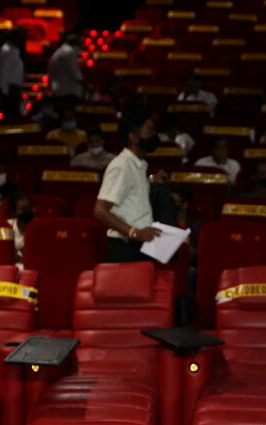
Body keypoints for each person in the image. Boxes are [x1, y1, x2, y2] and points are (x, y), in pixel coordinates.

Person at [93, 110, 163, 262]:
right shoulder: (122, 165)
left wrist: (151, 180)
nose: (154, 134)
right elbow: (100, 210)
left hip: (138, 245)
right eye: (149, 130)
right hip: (124, 247)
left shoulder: (138, 164)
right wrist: (134, 232)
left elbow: (131, 192)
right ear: (133, 137)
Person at [48, 34, 85, 103]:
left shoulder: (58, 52)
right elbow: (74, 73)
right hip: (68, 92)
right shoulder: (69, 52)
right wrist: (85, 84)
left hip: (58, 90)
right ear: (75, 44)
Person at [0, 28, 25, 117]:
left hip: (14, 89)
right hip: (9, 90)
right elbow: (3, 71)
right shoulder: (7, 50)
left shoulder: (14, 49)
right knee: (11, 116)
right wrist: (5, 93)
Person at [7, 194, 35, 266]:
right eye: (22, 209)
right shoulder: (7, 226)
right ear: (13, 213)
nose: (26, 212)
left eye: (28, 208)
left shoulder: (40, 228)